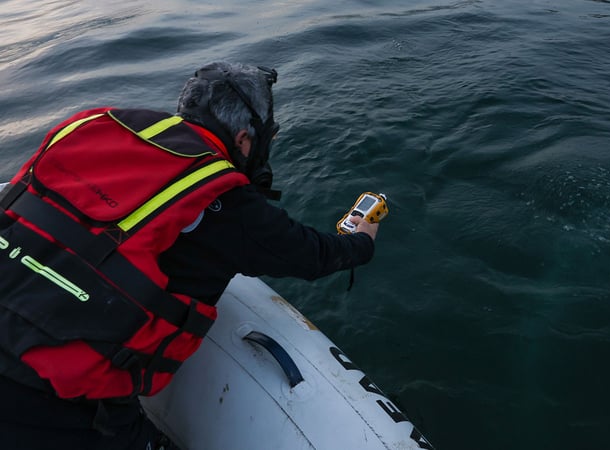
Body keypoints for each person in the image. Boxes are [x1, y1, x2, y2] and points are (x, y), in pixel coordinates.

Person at [0, 61, 378, 450]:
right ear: (246, 140)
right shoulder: (225, 200)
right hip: (52, 399)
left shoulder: (92, 127)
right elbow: (312, 256)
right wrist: (363, 239)